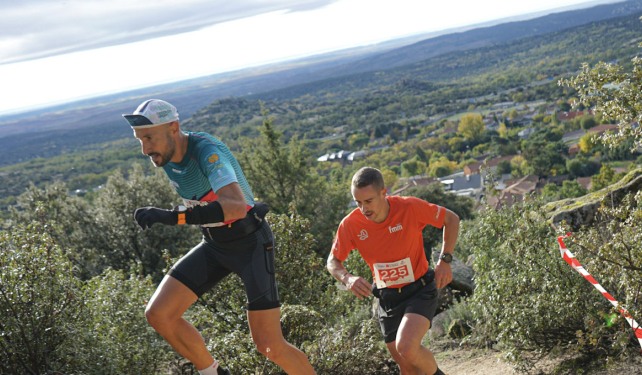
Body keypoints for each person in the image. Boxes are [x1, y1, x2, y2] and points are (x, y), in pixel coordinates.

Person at [124, 99, 315, 375]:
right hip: (214, 244)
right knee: (159, 315)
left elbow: (236, 206)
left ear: (174, 128)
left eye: (149, 137)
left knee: (269, 345)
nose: (145, 149)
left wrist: (172, 216)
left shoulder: (206, 152)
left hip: (250, 243)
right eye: (139, 139)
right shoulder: (164, 156)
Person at [327, 167, 460, 375]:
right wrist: (347, 278)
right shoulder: (351, 224)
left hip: (420, 290)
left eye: (368, 201)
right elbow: (333, 261)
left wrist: (445, 260)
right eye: (358, 202)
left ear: (384, 193)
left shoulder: (409, 208)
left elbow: (451, 219)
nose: (363, 209)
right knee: (406, 367)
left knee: (406, 348)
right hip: (387, 298)